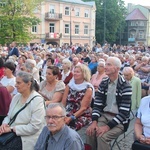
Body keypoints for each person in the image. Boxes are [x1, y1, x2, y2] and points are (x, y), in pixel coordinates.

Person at [86, 57, 132, 150]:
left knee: (102, 137)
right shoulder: (104, 82)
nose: (105, 67)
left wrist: (107, 127)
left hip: (119, 121)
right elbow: (97, 104)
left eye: (109, 65)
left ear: (117, 68)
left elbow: (124, 113)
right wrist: (94, 121)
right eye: (106, 64)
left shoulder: (125, 86)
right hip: (104, 116)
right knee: (90, 132)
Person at [0, 71, 45, 150]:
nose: (15, 85)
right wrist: (4, 125)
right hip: (10, 133)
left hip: (26, 138)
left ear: (28, 84)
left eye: (18, 83)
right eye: (16, 82)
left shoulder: (37, 100)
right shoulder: (16, 97)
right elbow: (9, 116)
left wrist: (12, 129)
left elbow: (34, 127)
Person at [62, 64, 94, 131]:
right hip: (67, 111)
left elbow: (83, 109)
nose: (75, 73)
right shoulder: (69, 86)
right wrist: (62, 114)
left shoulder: (88, 88)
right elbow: (63, 102)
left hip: (80, 115)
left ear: (84, 74)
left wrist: (70, 118)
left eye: (78, 72)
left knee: (67, 129)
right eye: (75, 71)